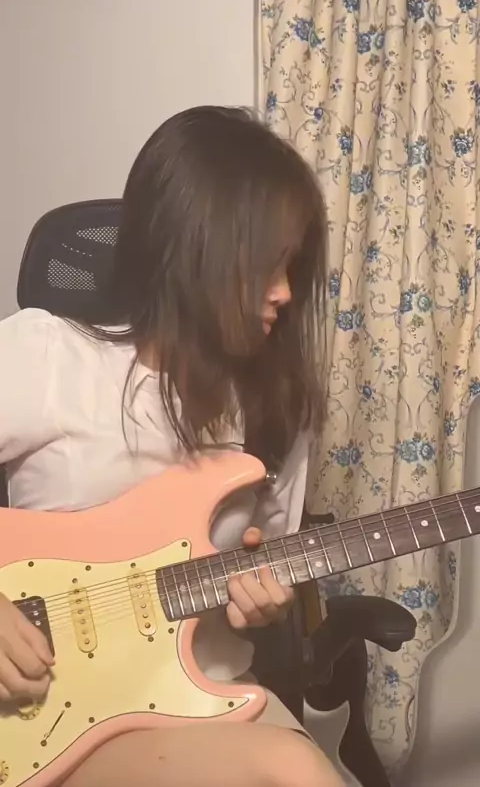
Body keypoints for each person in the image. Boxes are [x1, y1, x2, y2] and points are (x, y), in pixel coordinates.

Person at [0, 106, 344, 787]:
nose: (285, 292)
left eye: (293, 265)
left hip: (210, 701)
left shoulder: (274, 412)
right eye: (266, 265)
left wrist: (263, 604)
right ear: (196, 255)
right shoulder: (48, 357)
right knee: (293, 772)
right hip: (46, 713)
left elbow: (267, 565)